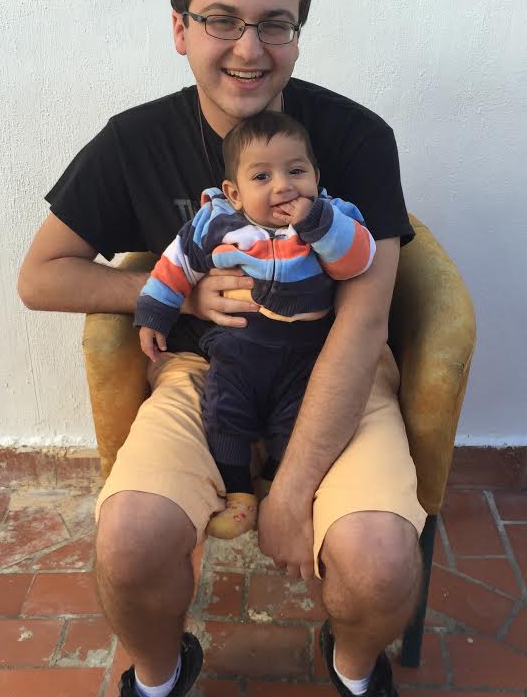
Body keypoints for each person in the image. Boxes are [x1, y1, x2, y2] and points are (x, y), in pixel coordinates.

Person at [18, 0, 426, 697]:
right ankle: (157, 681)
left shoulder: (356, 139)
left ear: (298, 31)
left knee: (381, 564)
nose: (249, 48)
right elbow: (41, 275)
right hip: (208, 376)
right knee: (126, 542)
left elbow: (364, 321)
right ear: (179, 29)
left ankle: (358, 673)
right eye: (222, 20)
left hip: (338, 373)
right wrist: (167, 292)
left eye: (274, 22)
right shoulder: (135, 142)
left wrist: (289, 496)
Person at [136, 111, 376, 539]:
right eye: (262, 176)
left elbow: (358, 261)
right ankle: (240, 495)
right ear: (235, 193)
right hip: (238, 348)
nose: (283, 185)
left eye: (296, 171)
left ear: (316, 177)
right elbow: (176, 263)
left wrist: (318, 222)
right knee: (223, 413)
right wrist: (156, 312)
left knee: (296, 422)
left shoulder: (331, 217)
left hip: (307, 353)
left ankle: (273, 484)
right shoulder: (217, 222)